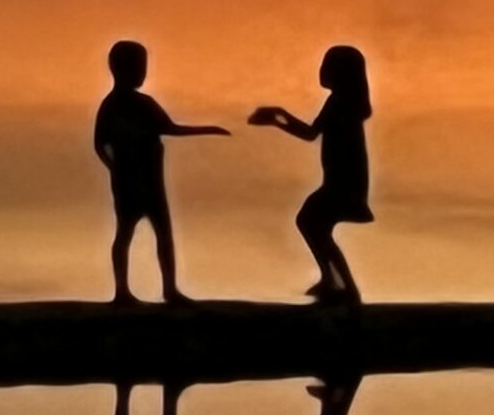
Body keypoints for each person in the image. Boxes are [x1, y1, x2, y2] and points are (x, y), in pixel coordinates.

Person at [94, 41, 229, 306]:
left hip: (151, 180)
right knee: (125, 232)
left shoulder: (144, 103)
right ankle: (122, 291)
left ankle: (169, 289)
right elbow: (99, 144)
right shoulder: (111, 105)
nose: (141, 72)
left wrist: (208, 129)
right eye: (136, 67)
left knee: (161, 233)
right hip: (129, 180)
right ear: (116, 68)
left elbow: (169, 128)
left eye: (142, 67)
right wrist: (114, 167)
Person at [251, 45, 374, 304]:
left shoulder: (342, 103)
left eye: (328, 66)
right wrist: (279, 118)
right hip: (340, 178)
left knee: (311, 222)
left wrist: (278, 118)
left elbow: (310, 134)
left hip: (344, 179)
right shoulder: (339, 102)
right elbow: (311, 133)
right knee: (313, 224)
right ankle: (333, 281)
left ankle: (344, 286)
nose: (322, 70)